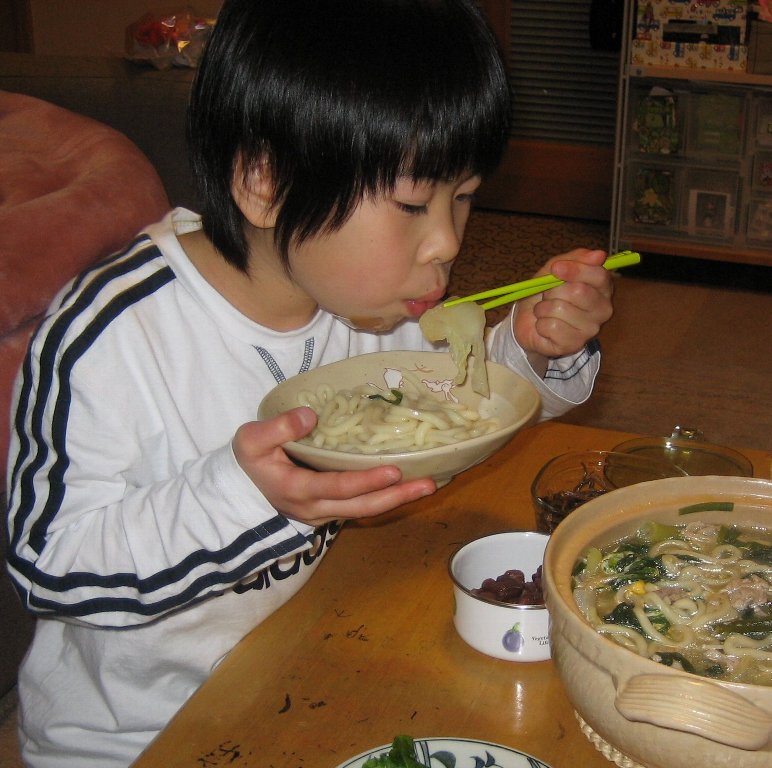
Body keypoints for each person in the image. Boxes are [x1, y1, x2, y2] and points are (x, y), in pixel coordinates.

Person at [5, 1, 614, 765]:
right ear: (266, 183)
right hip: (137, 737)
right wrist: (248, 495)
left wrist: (533, 350)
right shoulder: (114, 336)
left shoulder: (369, 305)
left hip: (302, 661)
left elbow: (461, 406)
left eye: (462, 196)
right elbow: (48, 567)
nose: (447, 242)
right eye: (412, 204)